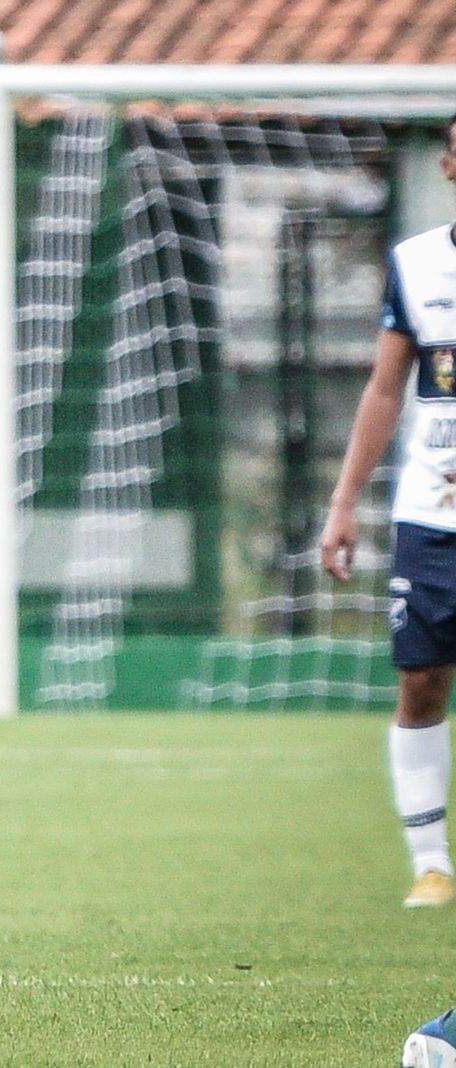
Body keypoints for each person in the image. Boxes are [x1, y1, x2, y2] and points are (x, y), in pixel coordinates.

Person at [321, 113, 456, 908]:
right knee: (420, 683)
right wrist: (344, 504)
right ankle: (431, 865)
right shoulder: (416, 265)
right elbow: (383, 389)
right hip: (430, 517)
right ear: (447, 168)